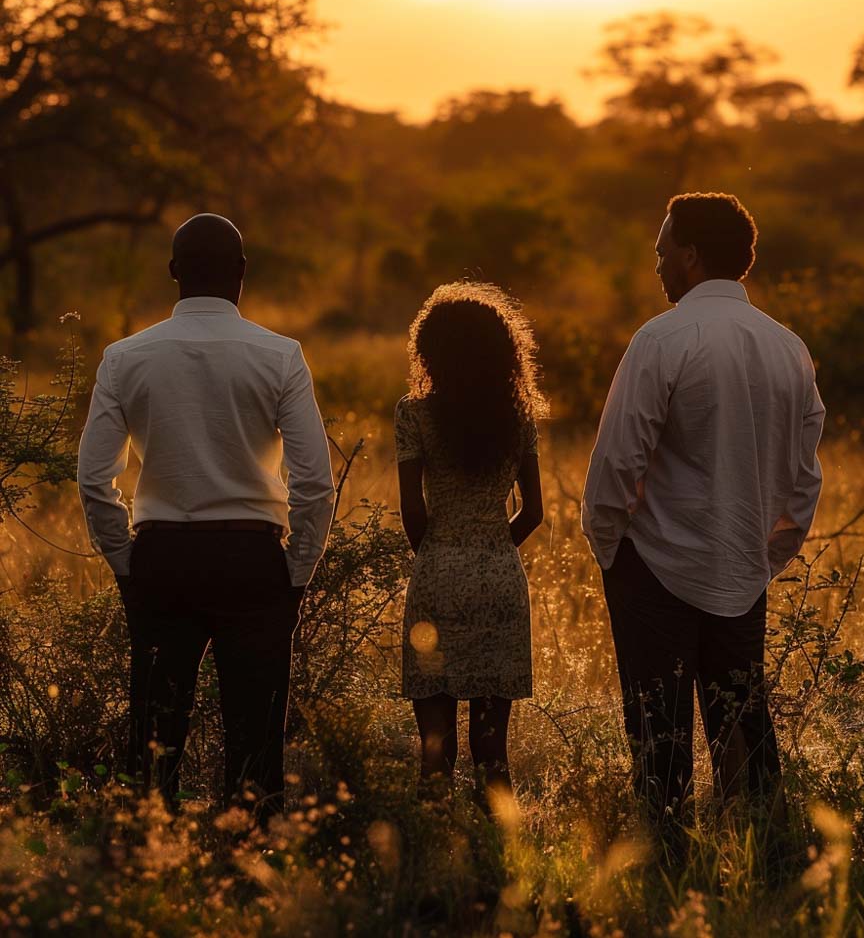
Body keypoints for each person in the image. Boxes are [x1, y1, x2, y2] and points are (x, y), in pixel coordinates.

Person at [581, 192, 824, 860]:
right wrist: (764, 558)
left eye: (663, 253)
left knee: (657, 732)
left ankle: (668, 870)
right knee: (743, 724)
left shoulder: (663, 339)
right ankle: (770, 862)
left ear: (689, 256)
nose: (658, 266)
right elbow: (805, 481)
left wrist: (613, 552)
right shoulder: (789, 348)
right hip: (743, 568)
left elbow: (616, 462)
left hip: (654, 566)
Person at [78, 213, 334, 824]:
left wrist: (126, 563)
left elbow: (94, 479)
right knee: (256, 743)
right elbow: (315, 484)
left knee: (154, 737)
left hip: (162, 558)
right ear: (242, 273)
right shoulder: (281, 356)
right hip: (253, 560)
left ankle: (152, 865)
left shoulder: (123, 358)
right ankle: (253, 867)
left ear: (173, 273)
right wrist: (294, 574)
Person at [394, 282, 546, 810]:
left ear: (430, 348)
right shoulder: (519, 416)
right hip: (501, 577)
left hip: (437, 571)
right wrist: (493, 547)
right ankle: (502, 858)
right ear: (503, 350)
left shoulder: (414, 413)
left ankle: (425, 860)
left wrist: (436, 553)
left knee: (434, 750)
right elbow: (535, 512)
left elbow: (412, 510)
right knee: (492, 751)